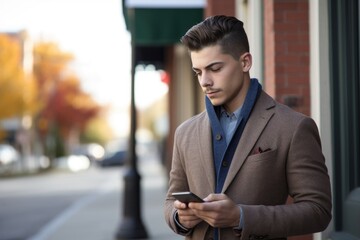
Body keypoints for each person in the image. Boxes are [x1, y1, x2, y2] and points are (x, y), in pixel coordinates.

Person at [164, 15, 332, 240]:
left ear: (245, 62)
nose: (205, 81)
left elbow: (318, 211)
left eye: (214, 68)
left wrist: (240, 216)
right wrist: (179, 217)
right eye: (198, 72)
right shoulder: (185, 133)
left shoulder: (294, 127)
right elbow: (169, 202)